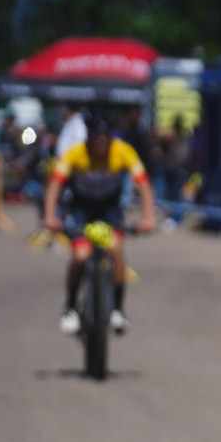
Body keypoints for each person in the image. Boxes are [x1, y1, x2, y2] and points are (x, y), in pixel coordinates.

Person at [43, 110, 155, 335]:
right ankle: (71, 307)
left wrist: (148, 217)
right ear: (89, 136)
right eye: (97, 136)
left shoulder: (122, 151)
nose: (102, 141)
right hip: (81, 208)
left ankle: (117, 310)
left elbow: (143, 184)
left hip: (109, 209)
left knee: (115, 249)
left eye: (106, 136)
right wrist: (50, 216)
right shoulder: (75, 153)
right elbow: (55, 184)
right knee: (81, 256)